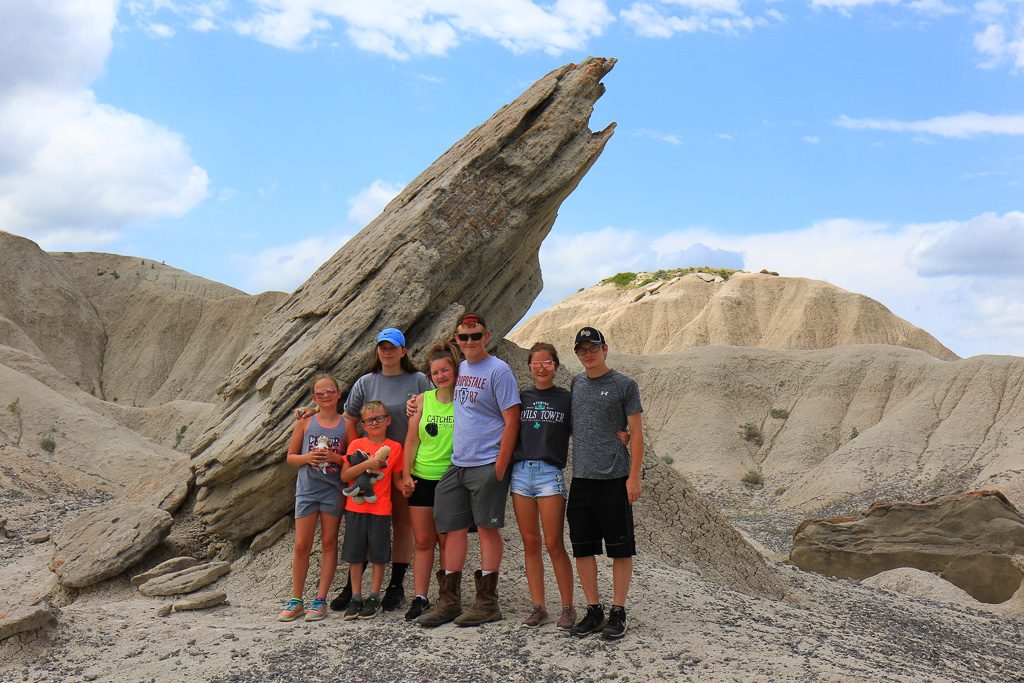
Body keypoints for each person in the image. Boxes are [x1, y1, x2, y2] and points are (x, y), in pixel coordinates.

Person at [417, 312, 520, 627]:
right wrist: (417, 401)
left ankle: (488, 604)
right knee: (451, 530)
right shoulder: (460, 367)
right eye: (464, 337)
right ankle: (449, 602)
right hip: (457, 464)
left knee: (488, 530)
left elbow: (512, 418)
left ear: (486, 336)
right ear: (457, 340)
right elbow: (441, 390)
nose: (470, 342)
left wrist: (500, 466)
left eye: (476, 336)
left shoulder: (499, 371)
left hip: (487, 462)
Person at [327, 328, 431, 612]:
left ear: (403, 351)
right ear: (377, 351)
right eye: (382, 347)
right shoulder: (365, 382)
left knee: (400, 523)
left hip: (406, 461)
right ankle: (354, 586)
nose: (387, 352)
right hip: (368, 465)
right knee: (368, 522)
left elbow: (435, 412)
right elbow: (348, 418)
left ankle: (395, 585)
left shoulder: (419, 380)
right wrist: (355, 454)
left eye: (393, 347)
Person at [567, 327, 644, 640]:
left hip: (614, 478)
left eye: (593, 348)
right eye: (582, 350)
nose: (588, 354)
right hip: (581, 479)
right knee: (583, 549)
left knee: (619, 549)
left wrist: (634, 476)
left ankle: (619, 611)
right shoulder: (575, 383)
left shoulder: (625, 384)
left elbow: (636, 433)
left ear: (605, 348)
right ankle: (594, 610)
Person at [510, 342, 576, 631]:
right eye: (535, 363)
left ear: (556, 366)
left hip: (550, 474)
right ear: (529, 367)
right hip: (521, 474)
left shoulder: (567, 399)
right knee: (531, 543)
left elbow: (584, 428)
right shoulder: (520, 397)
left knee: (554, 543)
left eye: (547, 362)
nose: (541, 368)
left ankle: (568, 607)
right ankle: (539, 607)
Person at [279, 374, 346, 622]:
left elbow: (350, 459)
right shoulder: (306, 422)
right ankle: (296, 599)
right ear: (313, 398)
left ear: (339, 394)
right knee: (301, 545)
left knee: (329, 543)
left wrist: (335, 458)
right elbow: (291, 457)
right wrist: (308, 458)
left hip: (333, 491)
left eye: (330, 391)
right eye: (320, 393)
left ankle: (320, 600)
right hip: (306, 490)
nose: (326, 395)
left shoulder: (346, 424)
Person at [400, 342, 459, 621]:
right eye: (435, 372)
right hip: (422, 477)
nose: (440, 375)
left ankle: (447, 597)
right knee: (423, 541)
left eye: (445, 369)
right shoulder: (422, 401)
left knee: (448, 540)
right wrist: (405, 474)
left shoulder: (466, 398)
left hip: (452, 479)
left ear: (455, 369)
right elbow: (411, 439)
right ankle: (420, 597)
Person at [339, 401, 406, 620]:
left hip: (381, 509)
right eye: (369, 420)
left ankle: (374, 597)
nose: (374, 423)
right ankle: (356, 597)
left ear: (388, 420)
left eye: (379, 418)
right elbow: (345, 477)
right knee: (355, 554)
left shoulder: (395, 447)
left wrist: (405, 485)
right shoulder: (356, 444)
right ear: (363, 425)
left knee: (379, 554)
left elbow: (396, 478)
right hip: (355, 508)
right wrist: (369, 465)